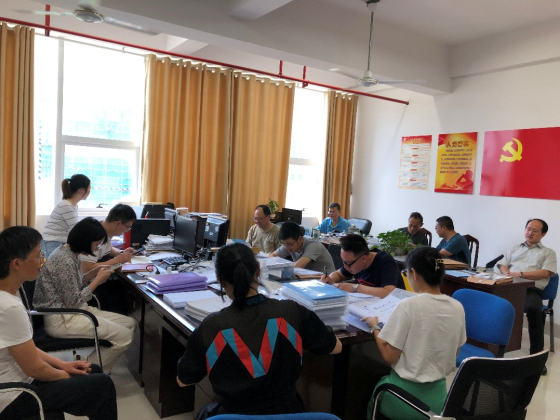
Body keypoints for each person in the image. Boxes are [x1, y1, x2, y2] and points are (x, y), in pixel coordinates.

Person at [176, 243, 342, 419]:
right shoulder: (293, 311)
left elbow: (183, 381)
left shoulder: (211, 326)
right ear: (258, 269)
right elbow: (336, 347)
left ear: (220, 280)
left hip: (233, 415)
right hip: (288, 412)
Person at [0, 226, 117, 420]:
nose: (43, 259)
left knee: (93, 371)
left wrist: (63, 365)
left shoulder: (10, 293)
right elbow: (34, 369)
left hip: (21, 377)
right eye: (38, 255)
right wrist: (66, 374)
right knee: (102, 385)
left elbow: (24, 347)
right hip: (14, 393)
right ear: (17, 263)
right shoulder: (8, 307)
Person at [363, 247, 466, 420]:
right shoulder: (457, 307)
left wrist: (374, 327)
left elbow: (389, 357)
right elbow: (454, 352)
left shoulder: (408, 305)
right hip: (437, 402)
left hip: (402, 398)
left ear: (415, 274)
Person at [33, 217, 136, 374]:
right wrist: (97, 281)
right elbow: (73, 301)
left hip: (74, 311)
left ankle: (88, 366)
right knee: (125, 336)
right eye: (96, 244)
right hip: (62, 319)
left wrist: (93, 273)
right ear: (86, 241)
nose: (96, 249)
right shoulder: (63, 261)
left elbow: (74, 284)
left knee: (130, 323)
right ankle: (88, 372)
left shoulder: (68, 253)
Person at [496, 219, 557, 374]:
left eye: (535, 231)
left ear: (543, 234)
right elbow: (502, 264)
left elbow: (546, 272)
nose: (530, 233)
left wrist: (520, 274)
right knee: (490, 303)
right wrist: (507, 273)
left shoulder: (548, 253)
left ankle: (536, 359)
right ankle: (491, 350)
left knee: (535, 310)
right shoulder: (514, 249)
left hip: (530, 290)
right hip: (508, 287)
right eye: (528, 229)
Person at [80, 204, 137, 314]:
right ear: (118, 223)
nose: (127, 231)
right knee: (124, 292)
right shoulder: (94, 236)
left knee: (125, 288)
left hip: (102, 281)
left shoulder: (104, 230)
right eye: (128, 227)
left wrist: (120, 253)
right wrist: (117, 260)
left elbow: (106, 249)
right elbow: (86, 269)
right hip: (92, 287)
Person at [321, 234, 404, 297]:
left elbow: (388, 292)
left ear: (364, 259)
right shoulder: (354, 262)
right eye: (343, 262)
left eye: (348, 263)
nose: (345, 267)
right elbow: (338, 274)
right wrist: (330, 279)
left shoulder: (385, 262)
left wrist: (356, 287)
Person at [42, 174, 91, 257]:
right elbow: (76, 230)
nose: (90, 190)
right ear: (82, 190)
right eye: (89, 187)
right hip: (52, 243)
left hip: (58, 242)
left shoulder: (71, 205)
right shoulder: (67, 206)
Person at [269, 221, 335, 273]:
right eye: (284, 244)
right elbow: (271, 255)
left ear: (300, 239)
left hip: (326, 281)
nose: (286, 247)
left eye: (289, 244)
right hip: (308, 279)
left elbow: (297, 267)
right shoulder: (289, 244)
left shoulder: (313, 245)